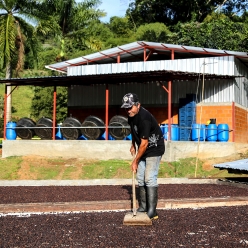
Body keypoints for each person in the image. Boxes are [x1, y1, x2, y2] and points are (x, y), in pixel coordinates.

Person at [121, 93, 165, 219]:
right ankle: (144, 206)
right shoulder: (131, 115)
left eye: (130, 107)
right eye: (126, 108)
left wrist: (135, 161)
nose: (128, 110)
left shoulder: (144, 118)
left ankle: (152, 211)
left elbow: (145, 143)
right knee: (140, 178)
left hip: (154, 148)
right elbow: (134, 131)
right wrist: (133, 144)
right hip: (142, 147)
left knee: (149, 178)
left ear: (138, 105)